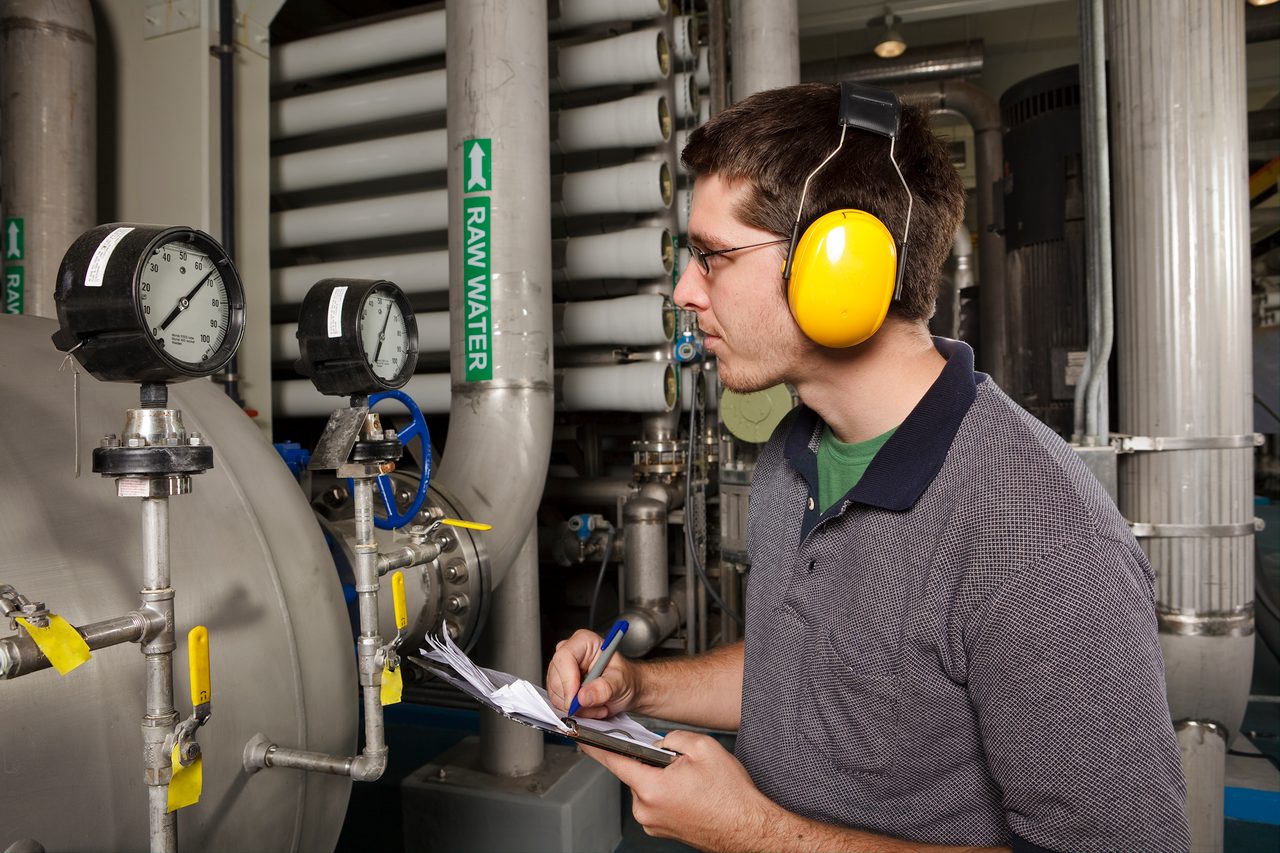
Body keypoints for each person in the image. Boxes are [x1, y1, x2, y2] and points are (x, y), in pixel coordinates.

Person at [546, 83, 1189, 853]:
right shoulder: (793, 453)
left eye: (713, 258)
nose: (685, 292)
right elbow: (813, 670)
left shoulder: (1041, 538)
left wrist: (756, 832)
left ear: (837, 268)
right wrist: (641, 685)